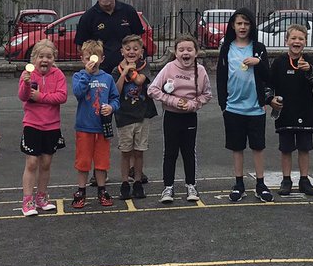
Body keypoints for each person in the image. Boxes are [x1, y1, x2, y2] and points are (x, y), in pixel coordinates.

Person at [215, 8, 274, 203]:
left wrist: (259, 62)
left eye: (246, 23)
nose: (242, 27)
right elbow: (221, 77)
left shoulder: (258, 47)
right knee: (237, 147)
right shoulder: (226, 48)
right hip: (233, 107)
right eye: (239, 23)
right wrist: (223, 104)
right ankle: (238, 184)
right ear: (233, 25)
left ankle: (260, 184)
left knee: (258, 147)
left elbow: (268, 77)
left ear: (252, 26)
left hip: (255, 107)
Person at [149, 35, 212, 204]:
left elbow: (207, 95)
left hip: (190, 117)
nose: (186, 53)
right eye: (181, 50)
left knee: (189, 152)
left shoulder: (201, 71)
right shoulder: (169, 68)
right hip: (171, 116)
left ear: (196, 52)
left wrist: (193, 104)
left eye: (189, 50)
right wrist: (173, 101)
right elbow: (152, 90)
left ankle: (191, 185)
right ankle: (168, 187)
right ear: (175, 53)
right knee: (170, 152)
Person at [268, 25, 313, 196]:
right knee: (286, 148)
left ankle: (304, 179)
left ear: (305, 42)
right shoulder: (278, 62)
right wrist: (271, 100)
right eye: (293, 38)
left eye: (301, 39)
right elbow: (268, 84)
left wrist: (309, 70)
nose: (297, 41)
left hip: (305, 110)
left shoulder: (308, 61)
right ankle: (286, 180)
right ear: (286, 41)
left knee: (304, 148)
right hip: (285, 111)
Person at [18, 39, 67, 217]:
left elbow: (62, 96)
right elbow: (23, 97)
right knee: (32, 163)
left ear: (54, 59)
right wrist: (25, 83)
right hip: (32, 124)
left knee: (46, 163)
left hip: (52, 125)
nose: (44, 60)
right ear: (34, 59)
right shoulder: (28, 74)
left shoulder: (58, 75)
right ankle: (27, 200)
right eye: (41, 56)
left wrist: (41, 96)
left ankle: (41, 197)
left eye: (48, 56)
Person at [71, 40, 121, 209]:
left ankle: (102, 190)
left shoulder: (107, 78)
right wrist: (86, 74)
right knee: (83, 162)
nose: (91, 61)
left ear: (102, 58)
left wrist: (111, 107)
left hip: (102, 127)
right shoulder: (79, 76)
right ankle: (81, 191)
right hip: (84, 127)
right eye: (87, 58)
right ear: (82, 59)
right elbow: (78, 93)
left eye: (94, 58)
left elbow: (115, 98)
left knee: (101, 162)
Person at [112, 34, 157, 201]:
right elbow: (116, 91)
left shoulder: (144, 66)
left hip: (142, 114)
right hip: (124, 116)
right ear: (122, 51)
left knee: (139, 151)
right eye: (128, 49)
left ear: (141, 51)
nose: (131, 52)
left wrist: (130, 69)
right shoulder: (116, 70)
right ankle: (125, 183)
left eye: (135, 49)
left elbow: (139, 81)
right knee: (125, 151)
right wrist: (123, 73)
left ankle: (137, 182)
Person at [74, 0, 144, 74]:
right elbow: (81, 48)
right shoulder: (88, 17)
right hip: (100, 73)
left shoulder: (129, 12)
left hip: (128, 71)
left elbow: (140, 41)